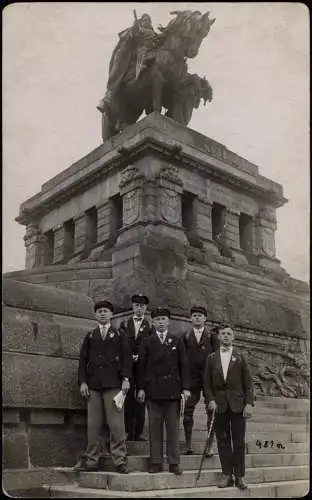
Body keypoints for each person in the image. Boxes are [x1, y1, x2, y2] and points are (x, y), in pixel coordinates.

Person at [75, 300, 132, 474]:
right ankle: (92, 460)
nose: (102, 313)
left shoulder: (120, 335)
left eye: (105, 311)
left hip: (113, 385)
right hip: (93, 386)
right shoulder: (90, 336)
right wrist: (83, 382)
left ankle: (119, 460)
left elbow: (127, 359)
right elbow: (83, 361)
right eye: (99, 311)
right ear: (95, 315)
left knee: (116, 425)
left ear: (111, 315)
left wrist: (126, 379)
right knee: (93, 426)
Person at [136, 308, 190, 475]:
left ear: (169, 322)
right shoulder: (147, 341)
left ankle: (174, 462)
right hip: (153, 392)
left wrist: (186, 388)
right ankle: (156, 462)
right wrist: (141, 388)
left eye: (163, 319)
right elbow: (140, 368)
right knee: (154, 428)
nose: (160, 322)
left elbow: (184, 365)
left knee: (173, 429)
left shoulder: (177, 341)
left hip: (172, 393)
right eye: (157, 319)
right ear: (153, 322)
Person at [203, 324, 254, 490]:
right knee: (223, 441)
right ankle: (227, 475)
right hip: (219, 405)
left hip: (238, 405)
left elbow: (248, 384)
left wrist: (248, 404)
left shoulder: (241, 357)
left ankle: (239, 476)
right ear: (218, 337)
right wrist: (210, 400)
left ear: (233, 337)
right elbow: (207, 384)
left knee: (238, 442)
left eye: (229, 334)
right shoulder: (211, 358)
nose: (225, 336)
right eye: (223, 334)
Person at [97, 13, 158, 114]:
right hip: (135, 58)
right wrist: (134, 29)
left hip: (151, 59)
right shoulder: (136, 29)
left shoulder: (155, 35)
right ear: (141, 21)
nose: (147, 21)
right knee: (121, 60)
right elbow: (129, 38)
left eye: (148, 19)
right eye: (144, 19)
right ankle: (109, 95)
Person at [182, 306, 219, 456]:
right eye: (194, 315)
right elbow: (182, 359)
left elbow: (217, 359)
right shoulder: (184, 336)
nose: (197, 318)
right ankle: (188, 444)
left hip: (209, 379)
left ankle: (210, 446)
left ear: (205, 319)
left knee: (211, 410)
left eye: (200, 315)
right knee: (187, 411)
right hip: (192, 380)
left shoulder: (212, 337)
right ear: (191, 319)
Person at [119, 294, 151, 441]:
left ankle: (138, 432)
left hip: (143, 367)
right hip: (128, 366)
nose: (139, 308)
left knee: (141, 398)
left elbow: (150, 345)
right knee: (128, 398)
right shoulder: (124, 324)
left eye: (142, 306)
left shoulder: (149, 326)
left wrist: (140, 356)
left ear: (146, 308)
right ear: (132, 306)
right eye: (137, 305)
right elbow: (122, 343)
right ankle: (128, 431)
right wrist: (130, 356)